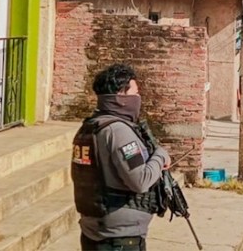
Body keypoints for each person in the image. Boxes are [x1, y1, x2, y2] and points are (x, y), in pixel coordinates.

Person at [72, 63, 171, 251]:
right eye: (135, 93)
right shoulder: (118, 132)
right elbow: (140, 180)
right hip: (120, 239)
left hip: (96, 231)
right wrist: (160, 156)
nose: (138, 98)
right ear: (121, 97)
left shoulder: (90, 126)